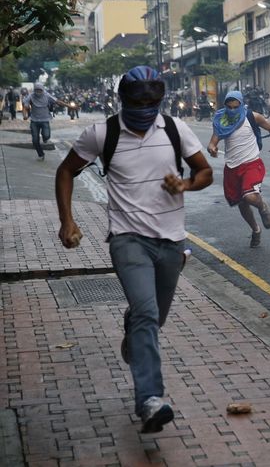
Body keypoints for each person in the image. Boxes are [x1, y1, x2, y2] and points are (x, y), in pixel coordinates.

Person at [55, 66, 213, 433]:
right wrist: (67, 221)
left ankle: (134, 332)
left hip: (172, 242)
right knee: (146, 313)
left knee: (153, 318)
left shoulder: (174, 129)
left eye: (152, 101)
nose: (146, 108)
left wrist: (186, 185)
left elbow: (205, 172)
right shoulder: (102, 133)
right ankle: (150, 401)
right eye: (138, 101)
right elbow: (65, 171)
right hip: (128, 239)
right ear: (122, 100)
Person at [207, 90, 270, 248]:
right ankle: (255, 230)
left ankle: (262, 207)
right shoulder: (223, 120)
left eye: (236, 106)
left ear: (241, 104)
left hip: (251, 163)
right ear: (225, 105)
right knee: (241, 202)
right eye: (229, 107)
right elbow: (213, 140)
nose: (232, 110)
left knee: (249, 196)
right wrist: (212, 148)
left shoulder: (252, 117)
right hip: (232, 167)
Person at [22, 82, 74, 161]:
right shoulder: (31, 96)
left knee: (46, 136)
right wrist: (25, 115)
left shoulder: (47, 95)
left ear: (42, 90)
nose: (38, 92)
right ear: (34, 90)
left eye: (40, 90)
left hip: (45, 120)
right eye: (37, 90)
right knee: (35, 140)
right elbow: (25, 107)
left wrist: (69, 106)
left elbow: (58, 102)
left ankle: (44, 136)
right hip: (34, 121)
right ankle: (41, 154)